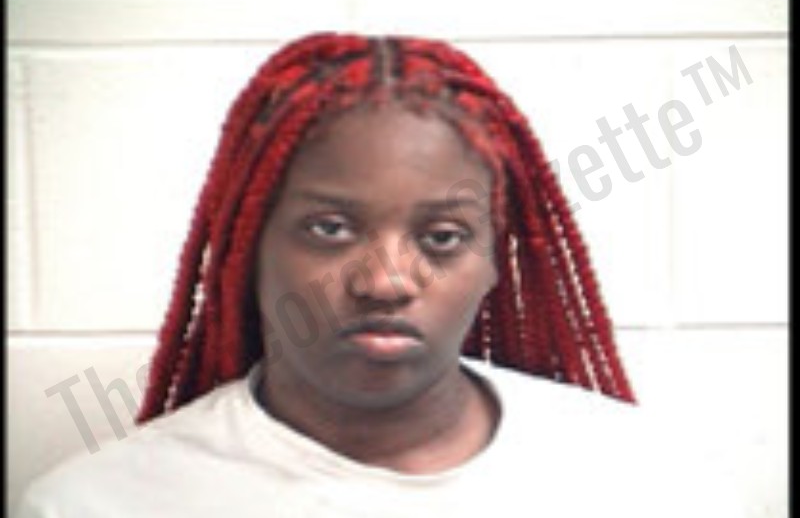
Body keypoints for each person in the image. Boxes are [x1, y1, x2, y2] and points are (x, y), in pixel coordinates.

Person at [16, 31, 742, 518]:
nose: (386, 281)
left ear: (496, 262)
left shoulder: (651, 485)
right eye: (330, 229)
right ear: (247, 247)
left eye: (442, 237)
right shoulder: (95, 505)